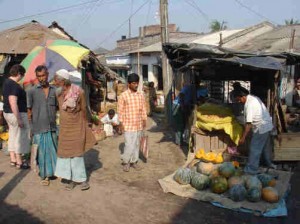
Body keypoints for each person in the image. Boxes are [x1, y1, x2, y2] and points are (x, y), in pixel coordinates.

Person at [54, 69, 96, 190]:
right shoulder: (58, 93)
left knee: (77, 155)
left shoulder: (79, 92)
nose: (55, 83)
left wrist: (86, 124)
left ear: (63, 81)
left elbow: (84, 109)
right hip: (64, 128)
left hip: (77, 127)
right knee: (66, 154)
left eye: (56, 80)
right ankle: (70, 179)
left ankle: (82, 180)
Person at [27, 65, 58, 186]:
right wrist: (31, 128)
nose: (41, 78)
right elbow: (29, 111)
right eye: (38, 76)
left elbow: (58, 108)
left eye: (43, 75)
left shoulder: (54, 90)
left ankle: (55, 172)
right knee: (41, 153)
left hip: (52, 126)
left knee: (54, 150)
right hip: (38, 127)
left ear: (47, 74)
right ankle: (44, 176)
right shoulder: (31, 91)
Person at [233, 89, 276, 175]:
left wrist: (243, 137)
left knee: (254, 149)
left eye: (239, 99)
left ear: (243, 96)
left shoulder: (249, 104)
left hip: (261, 127)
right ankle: (269, 164)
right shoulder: (254, 98)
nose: (239, 101)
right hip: (267, 125)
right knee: (265, 148)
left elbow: (248, 124)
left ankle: (251, 169)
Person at [2, 64, 30, 169]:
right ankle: (19, 161)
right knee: (20, 137)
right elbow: (13, 102)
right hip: (16, 113)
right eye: (22, 75)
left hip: (7, 113)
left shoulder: (6, 82)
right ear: (18, 74)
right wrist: (19, 119)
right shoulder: (14, 85)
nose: (22, 77)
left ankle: (13, 159)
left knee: (13, 134)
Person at [118, 73, 147, 172]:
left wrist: (144, 120)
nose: (136, 85)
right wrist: (121, 124)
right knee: (129, 144)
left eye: (137, 83)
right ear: (129, 84)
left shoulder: (141, 95)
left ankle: (134, 162)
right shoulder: (123, 96)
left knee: (136, 145)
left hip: (138, 124)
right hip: (128, 125)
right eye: (134, 83)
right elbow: (120, 111)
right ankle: (126, 162)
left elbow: (143, 108)